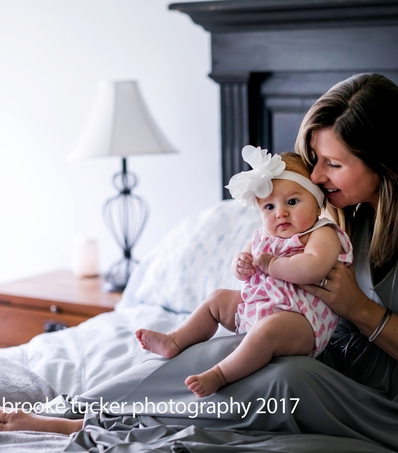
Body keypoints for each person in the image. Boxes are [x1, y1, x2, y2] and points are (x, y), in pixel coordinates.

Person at [0, 73, 398, 452]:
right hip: (346, 369)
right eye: (315, 161)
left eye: (333, 163)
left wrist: (358, 310)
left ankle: (93, 429)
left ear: (385, 158)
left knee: (278, 378)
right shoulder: (342, 208)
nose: (316, 178)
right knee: (219, 351)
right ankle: (74, 411)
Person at [135, 147, 353, 397]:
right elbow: (243, 264)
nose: (280, 213)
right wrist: (240, 265)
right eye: (269, 207)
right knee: (217, 299)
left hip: (302, 321)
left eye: (292, 202)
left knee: (267, 331)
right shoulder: (263, 237)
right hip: (259, 308)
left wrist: (272, 265)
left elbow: (313, 268)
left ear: (317, 203)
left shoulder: (322, 232)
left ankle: (221, 374)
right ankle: (175, 340)